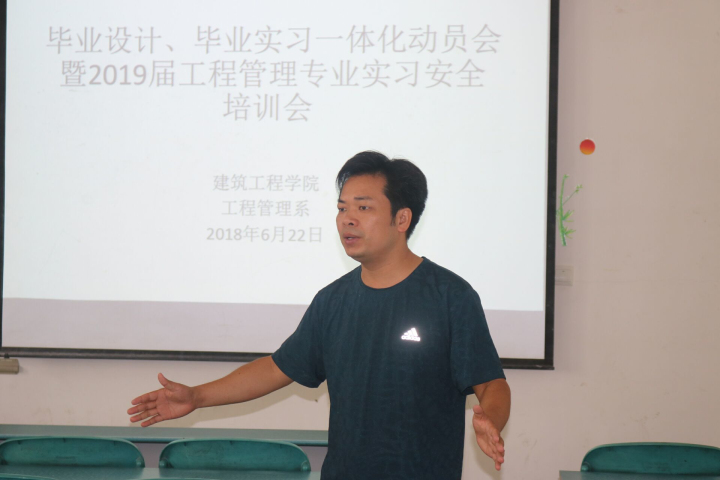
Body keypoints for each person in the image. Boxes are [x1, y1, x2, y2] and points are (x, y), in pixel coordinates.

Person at [128, 151, 511, 479]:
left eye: (363, 208)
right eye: (342, 208)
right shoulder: (333, 301)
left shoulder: (449, 296)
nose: (347, 219)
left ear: (402, 219)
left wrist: (490, 420)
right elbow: (276, 368)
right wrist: (197, 396)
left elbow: (492, 384)